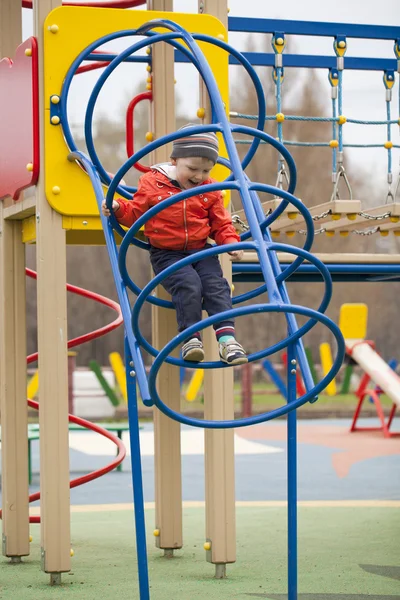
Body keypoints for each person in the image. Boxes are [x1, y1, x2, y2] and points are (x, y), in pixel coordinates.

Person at [102, 125, 247, 365]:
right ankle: (190, 338)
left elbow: (221, 224)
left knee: (216, 286)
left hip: (200, 250)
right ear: (174, 160)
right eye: (192, 168)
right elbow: (135, 213)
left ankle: (228, 342)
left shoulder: (210, 189)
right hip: (167, 254)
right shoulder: (152, 183)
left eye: (206, 170)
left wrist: (231, 242)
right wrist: (118, 208)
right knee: (189, 284)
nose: (199, 176)